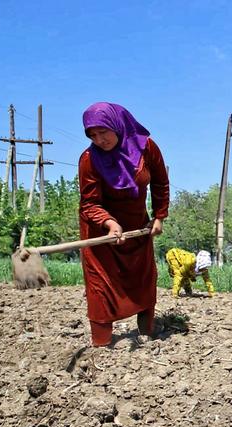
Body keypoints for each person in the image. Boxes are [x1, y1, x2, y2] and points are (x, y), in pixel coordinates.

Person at [78, 102, 169, 347]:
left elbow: (160, 182)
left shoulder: (146, 148)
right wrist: (108, 222)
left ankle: (148, 331)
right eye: (92, 135)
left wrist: (159, 216)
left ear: (117, 125)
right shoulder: (89, 160)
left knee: (143, 277)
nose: (99, 140)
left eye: (103, 132)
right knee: (101, 287)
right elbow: (89, 203)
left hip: (137, 224)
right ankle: (101, 345)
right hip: (101, 229)